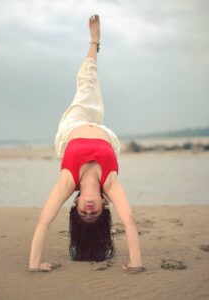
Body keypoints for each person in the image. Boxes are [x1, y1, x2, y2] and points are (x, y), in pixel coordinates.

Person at [28, 14, 144, 272]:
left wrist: (34, 265)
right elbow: (130, 220)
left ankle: (94, 41)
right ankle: (95, 43)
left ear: (77, 205)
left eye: (83, 214)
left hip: (75, 123)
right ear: (104, 206)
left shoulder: (68, 181)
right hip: (104, 133)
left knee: (87, 80)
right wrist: (136, 264)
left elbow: (44, 221)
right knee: (91, 88)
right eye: (94, 214)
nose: (89, 211)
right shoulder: (110, 183)